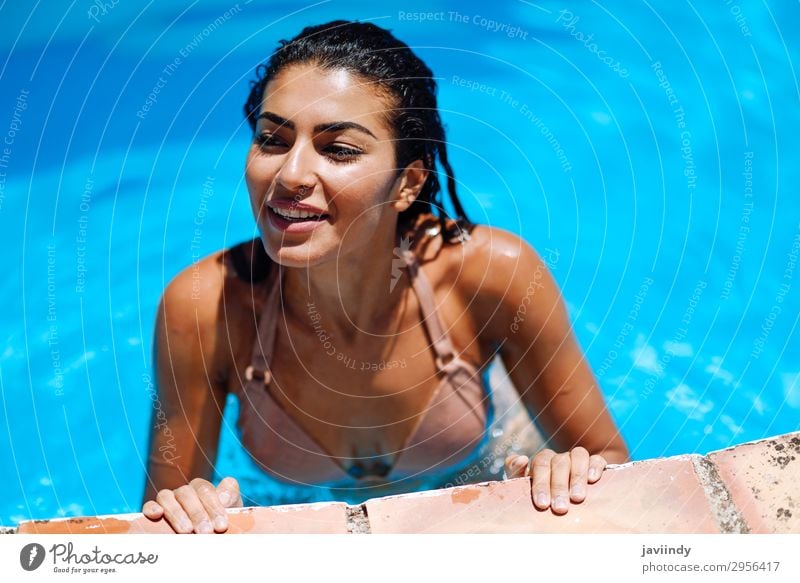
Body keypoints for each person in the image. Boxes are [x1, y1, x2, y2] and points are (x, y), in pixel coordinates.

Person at [141, 19, 629, 534]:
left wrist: (566, 471)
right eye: (272, 139)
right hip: (292, 498)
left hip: (482, 462)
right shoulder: (205, 307)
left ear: (407, 182)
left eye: (339, 150)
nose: (290, 175)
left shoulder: (490, 275)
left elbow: (610, 460)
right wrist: (188, 509)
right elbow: (159, 514)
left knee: (524, 450)